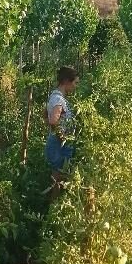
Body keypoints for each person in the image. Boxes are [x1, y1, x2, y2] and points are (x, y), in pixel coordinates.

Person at [45, 65, 78, 194]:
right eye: (75, 83)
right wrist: (61, 137)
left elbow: (45, 115)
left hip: (56, 142)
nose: (76, 86)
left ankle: (54, 208)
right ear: (66, 82)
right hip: (58, 144)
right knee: (57, 180)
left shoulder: (54, 97)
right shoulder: (58, 99)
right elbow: (53, 120)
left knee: (58, 179)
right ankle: (53, 209)